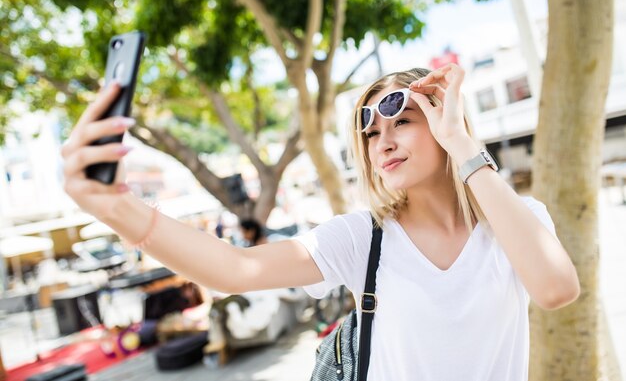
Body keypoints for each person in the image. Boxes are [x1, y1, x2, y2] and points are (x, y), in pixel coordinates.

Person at [61, 63, 579, 381]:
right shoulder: (362, 239)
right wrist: (120, 209)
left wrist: (462, 144)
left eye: (403, 121)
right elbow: (235, 271)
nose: (385, 141)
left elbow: (556, 288)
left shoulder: (517, 222)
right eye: (371, 132)